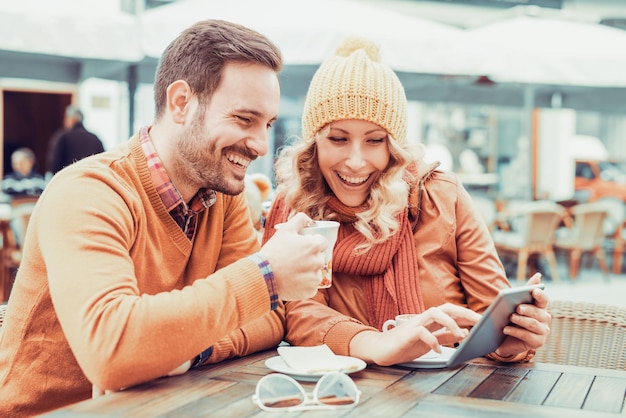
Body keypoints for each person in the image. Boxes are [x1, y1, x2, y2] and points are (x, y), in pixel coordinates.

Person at [0, 19, 328, 417]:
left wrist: (191, 351)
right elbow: (113, 349)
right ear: (181, 103)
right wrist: (266, 274)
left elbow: (269, 318)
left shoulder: (223, 197)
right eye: (244, 119)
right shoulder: (87, 191)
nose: (261, 144)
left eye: (268, 124)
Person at [262, 37, 551, 367]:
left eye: (374, 141)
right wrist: (380, 344)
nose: (355, 162)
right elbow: (299, 313)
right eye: (338, 139)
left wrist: (511, 340)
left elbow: (490, 313)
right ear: (314, 143)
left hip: (448, 387)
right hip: (345, 391)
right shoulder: (296, 205)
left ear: (393, 147)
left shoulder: (441, 196)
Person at [47, 105, 105, 174]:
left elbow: (55, 164)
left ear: (73, 119)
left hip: (69, 180)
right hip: (90, 180)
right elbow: (103, 163)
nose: (64, 121)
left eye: (66, 118)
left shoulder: (63, 138)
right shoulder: (95, 139)